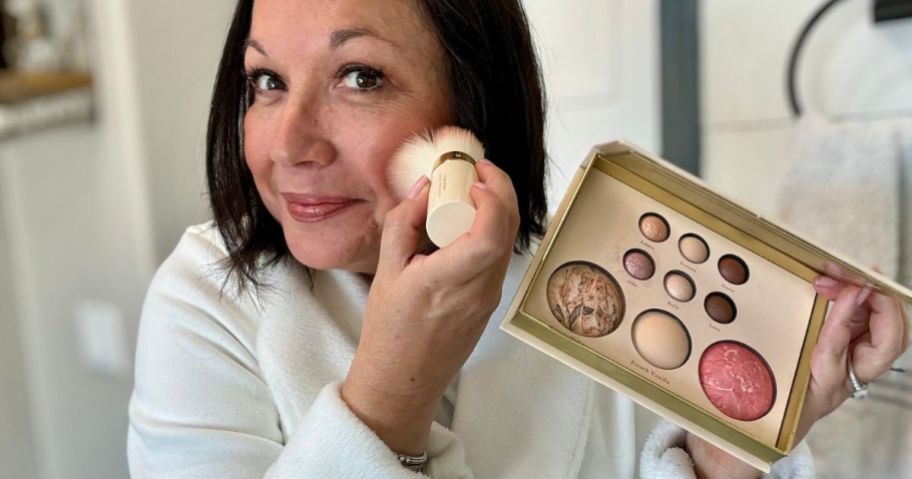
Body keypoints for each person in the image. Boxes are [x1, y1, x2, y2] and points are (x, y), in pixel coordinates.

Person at [127, 0, 910, 477]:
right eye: (266, 81)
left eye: (358, 76)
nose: (289, 142)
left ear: (472, 101)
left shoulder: (593, 293)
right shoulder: (203, 301)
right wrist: (388, 395)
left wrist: (730, 455)